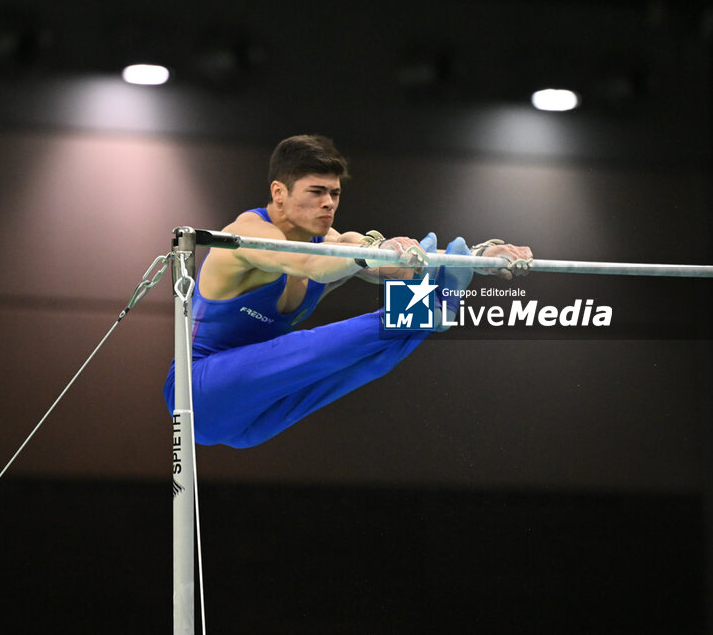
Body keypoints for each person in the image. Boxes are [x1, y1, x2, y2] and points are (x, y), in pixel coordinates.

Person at [163, 134, 533, 448]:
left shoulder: (338, 241)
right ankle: (431, 309)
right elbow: (307, 263)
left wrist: (478, 258)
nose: (329, 203)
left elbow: (400, 264)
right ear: (279, 192)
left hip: (252, 419)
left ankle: (427, 312)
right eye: (317, 191)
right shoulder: (246, 236)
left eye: (335, 193)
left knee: (364, 362)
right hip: (198, 392)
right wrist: (367, 254)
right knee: (314, 347)